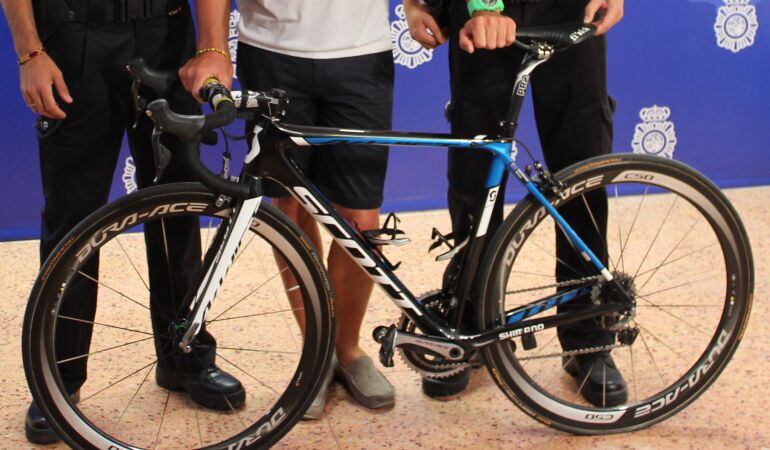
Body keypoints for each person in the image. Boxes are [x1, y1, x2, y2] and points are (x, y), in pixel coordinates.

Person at [0, 0, 245, 443]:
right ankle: (59, 377)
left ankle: (184, 357)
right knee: (72, 222)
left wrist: (213, 47)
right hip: (74, 37)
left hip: (166, 36)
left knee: (178, 212)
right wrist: (30, 52)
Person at [179, 0, 396, 419]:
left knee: (360, 222)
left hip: (361, 54)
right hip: (271, 52)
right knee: (291, 211)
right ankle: (316, 353)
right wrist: (212, 47)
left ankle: (347, 350)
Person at [403, 0, 627, 406]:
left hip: (568, 10)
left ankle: (587, 335)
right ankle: (467, 323)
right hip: (480, 11)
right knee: (476, 174)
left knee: (582, 174)